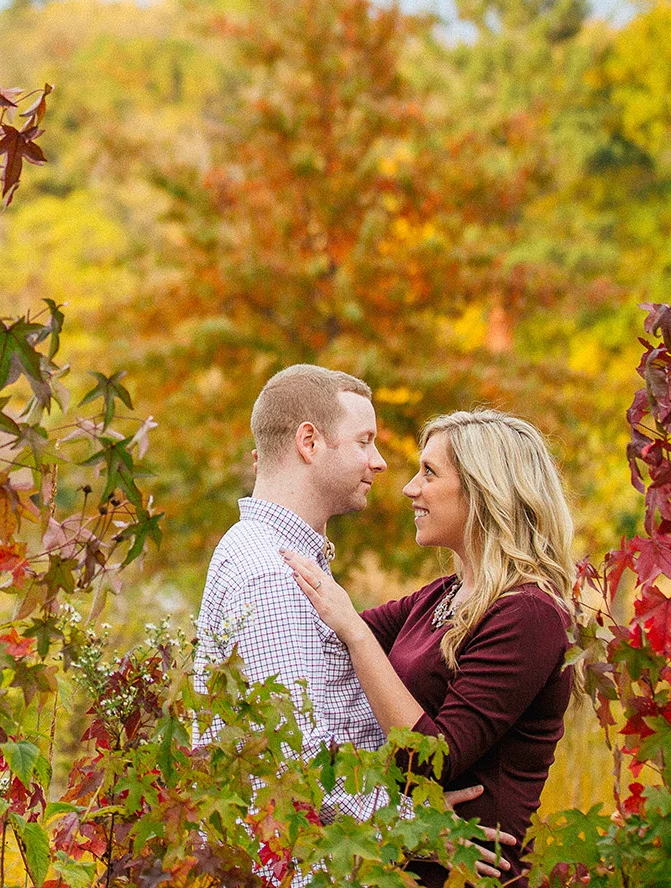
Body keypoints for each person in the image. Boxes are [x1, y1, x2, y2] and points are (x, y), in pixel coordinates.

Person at [194, 366, 515, 877]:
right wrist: (418, 826)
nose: (380, 462)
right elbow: (296, 764)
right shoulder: (271, 575)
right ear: (309, 442)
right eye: (364, 441)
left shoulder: (296, 565)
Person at [283, 409, 576, 887]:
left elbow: (433, 757)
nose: (409, 488)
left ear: (485, 492)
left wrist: (356, 634)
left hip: (473, 875)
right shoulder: (442, 595)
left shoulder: (529, 615)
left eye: (429, 472)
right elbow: (323, 635)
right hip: (412, 862)